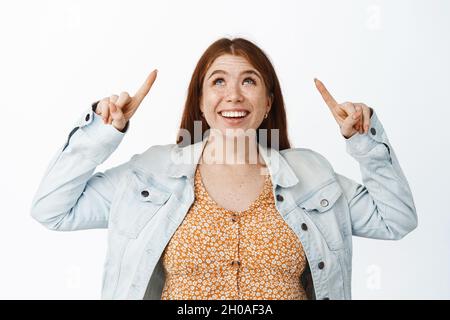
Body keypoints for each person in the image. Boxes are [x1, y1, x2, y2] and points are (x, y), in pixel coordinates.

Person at [30, 37, 417, 300]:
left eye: (249, 81)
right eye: (218, 81)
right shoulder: (150, 174)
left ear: (267, 103)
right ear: (200, 102)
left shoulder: (312, 176)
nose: (233, 95)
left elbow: (395, 220)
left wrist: (366, 142)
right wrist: (100, 133)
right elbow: (52, 209)